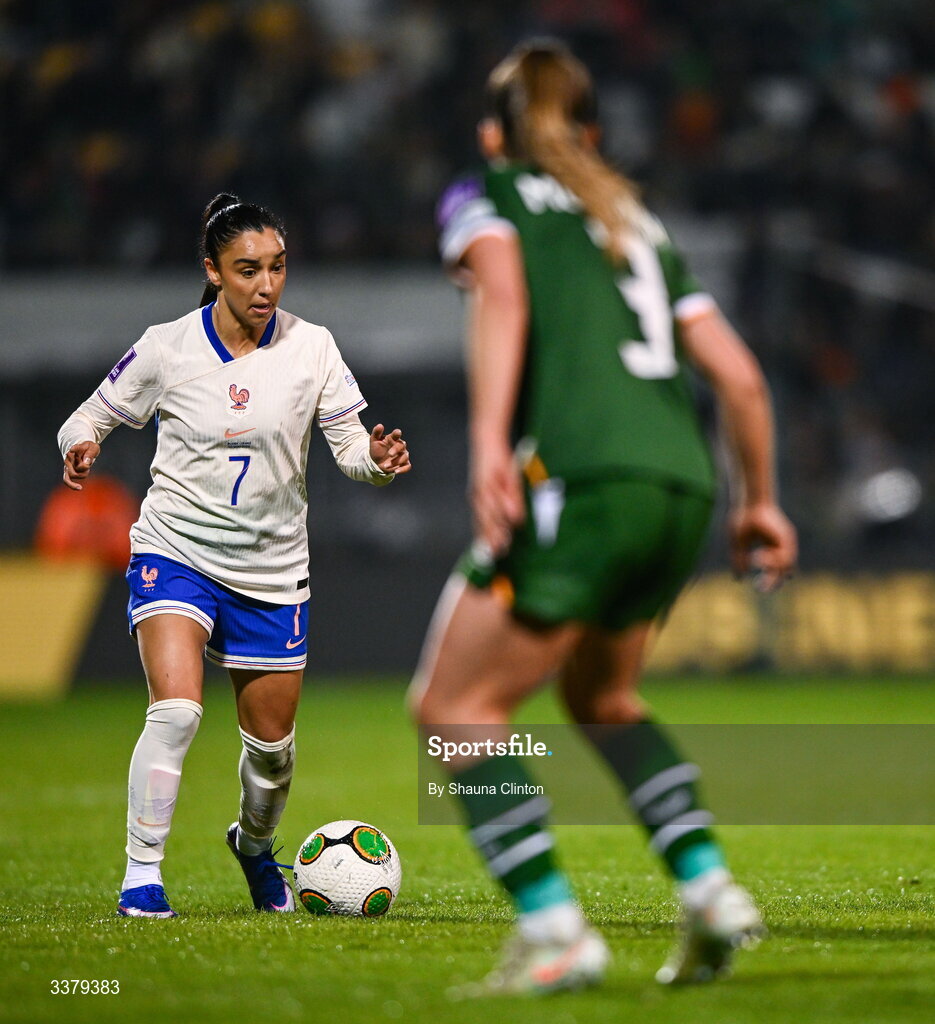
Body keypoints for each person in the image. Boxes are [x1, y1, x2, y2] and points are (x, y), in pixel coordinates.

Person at [409, 40, 797, 994]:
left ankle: (554, 931)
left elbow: (499, 292)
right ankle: (708, 892)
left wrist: (489, 441)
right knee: (602, 698)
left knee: (454, 708)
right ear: (586, 132)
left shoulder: (485, 192)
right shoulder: (635, 220)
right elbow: (740, 378)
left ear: (491, 132)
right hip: (680, 481)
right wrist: (760, 503)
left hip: (581, 474)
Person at [58, 193, 411, 919]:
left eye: (277, 268)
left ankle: (253, 846)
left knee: (272, 758)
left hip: (273, 572)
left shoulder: (312, 347)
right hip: (175, 550)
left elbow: (349, 448)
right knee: (178, 711)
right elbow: (86, 415)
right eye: (247, 270)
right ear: (212, 271)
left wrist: (375, 460)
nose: (265, 285)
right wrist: (81, 444)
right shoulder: (167, 346)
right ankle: (141, 876)